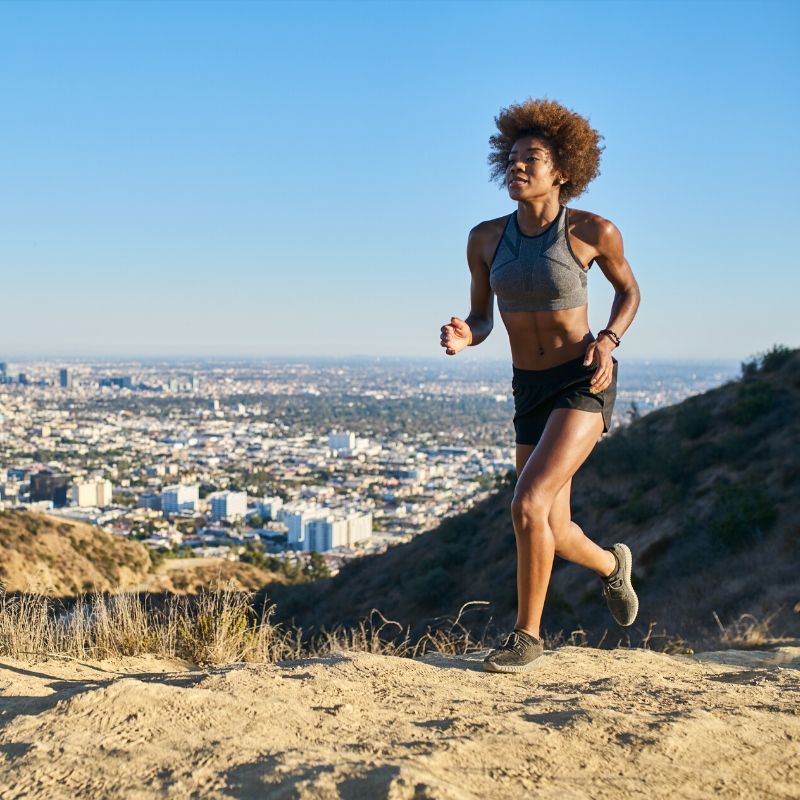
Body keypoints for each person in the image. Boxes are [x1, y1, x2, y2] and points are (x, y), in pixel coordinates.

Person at [439, 98, 641, 673]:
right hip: (528, 387)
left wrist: (607, 340)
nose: (517, 166)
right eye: (512, 157)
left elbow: (630, 294)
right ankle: (611, 567)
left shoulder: (591, 231)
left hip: (583, 379)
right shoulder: (484, 239)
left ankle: (526, 636)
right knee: (553, 524)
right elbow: (483, 318)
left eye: (532, 158)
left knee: (526, 503)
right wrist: (465, 334)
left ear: (563, 171)